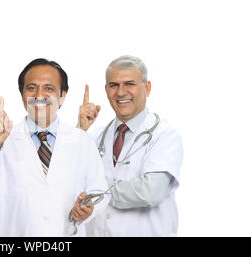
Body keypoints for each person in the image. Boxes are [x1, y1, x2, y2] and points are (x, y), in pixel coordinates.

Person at [0, 58, 109, 236]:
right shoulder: (2, 142)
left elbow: (100, 191)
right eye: (31, 88)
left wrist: (89, 208)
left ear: (62, 96)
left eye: (49, 88)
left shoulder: (81, 141)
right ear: (22, 95)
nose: (39, 95)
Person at [78, 55, 183, 236]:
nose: (121, 92)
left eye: (129, 84)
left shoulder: (165, 135)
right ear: (106, 90)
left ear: (147, 88)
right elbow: (67, 180)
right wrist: (80, 130)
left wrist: (96, 190)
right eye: (114, 85)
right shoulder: (93, 137)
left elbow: (151, 192)